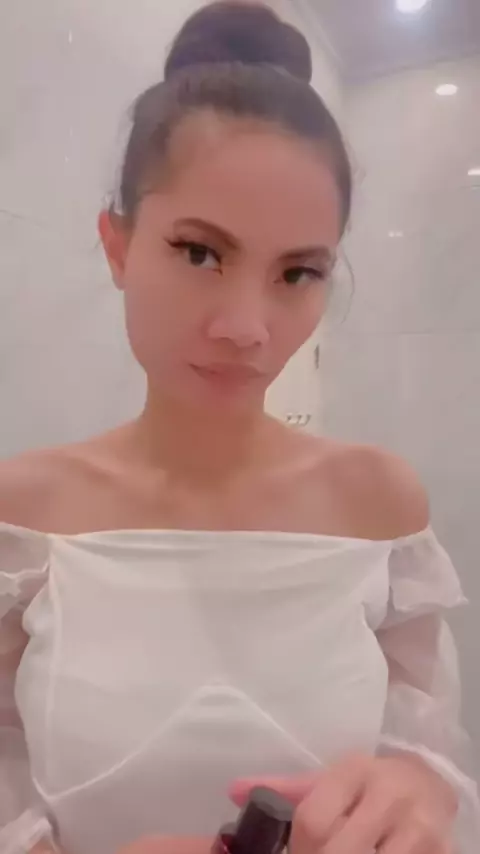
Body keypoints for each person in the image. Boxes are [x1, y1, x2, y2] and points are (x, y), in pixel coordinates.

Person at [0, 2, 478, 853]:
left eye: (298, 272)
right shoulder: (24, 515)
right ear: (118, 246)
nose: (248, 328)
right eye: (200, 252)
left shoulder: (378, 504)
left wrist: (418, 794)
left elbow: (428, 754)